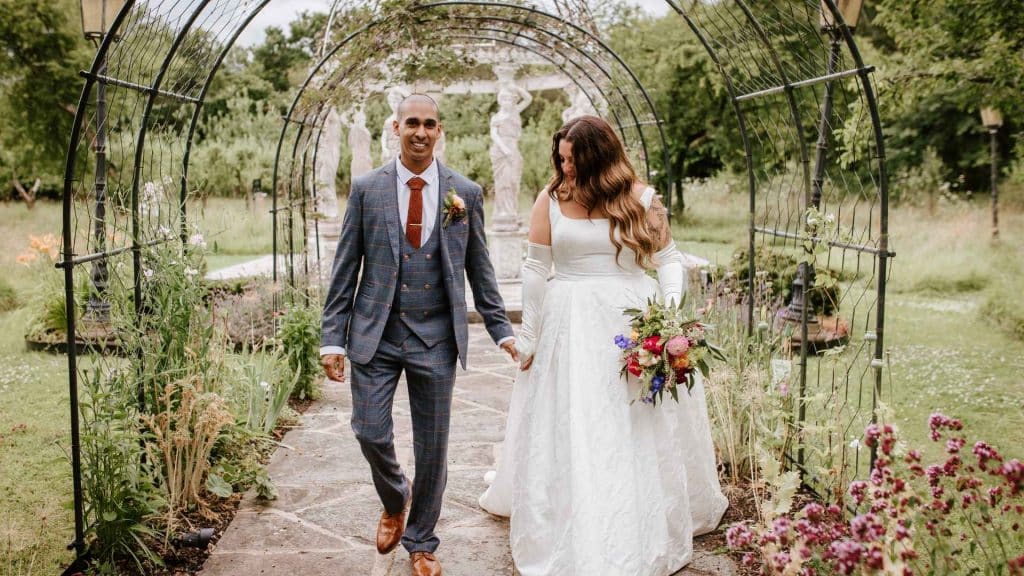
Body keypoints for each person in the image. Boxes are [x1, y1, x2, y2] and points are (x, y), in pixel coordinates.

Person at [478, 115, 728, 575]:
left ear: (598, 157)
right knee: (577, 416)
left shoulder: (642, 199)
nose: (565, 167)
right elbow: (536, 270)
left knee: (632, 417)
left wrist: (667, 317)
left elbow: (669, 260)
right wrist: (529, 336)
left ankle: (638, 508)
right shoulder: (551, 199)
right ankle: (572, 510)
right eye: (562, 159)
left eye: (573, 160)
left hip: (632, 321)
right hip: (569, 321)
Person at [321, 94, 518, 576]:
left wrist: (501, 330)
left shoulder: (464, 193)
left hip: (435, 336)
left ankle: (422, 541)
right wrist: (332, 337)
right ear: (395, 127)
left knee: (433, 446)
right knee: (368, 430)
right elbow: (346, 267)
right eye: (412, 123)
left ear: (439, 130)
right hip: (376, 333)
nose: (421, 132)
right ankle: (395, 496)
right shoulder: (367, 189)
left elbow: (481, 269)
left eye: (430, 124)